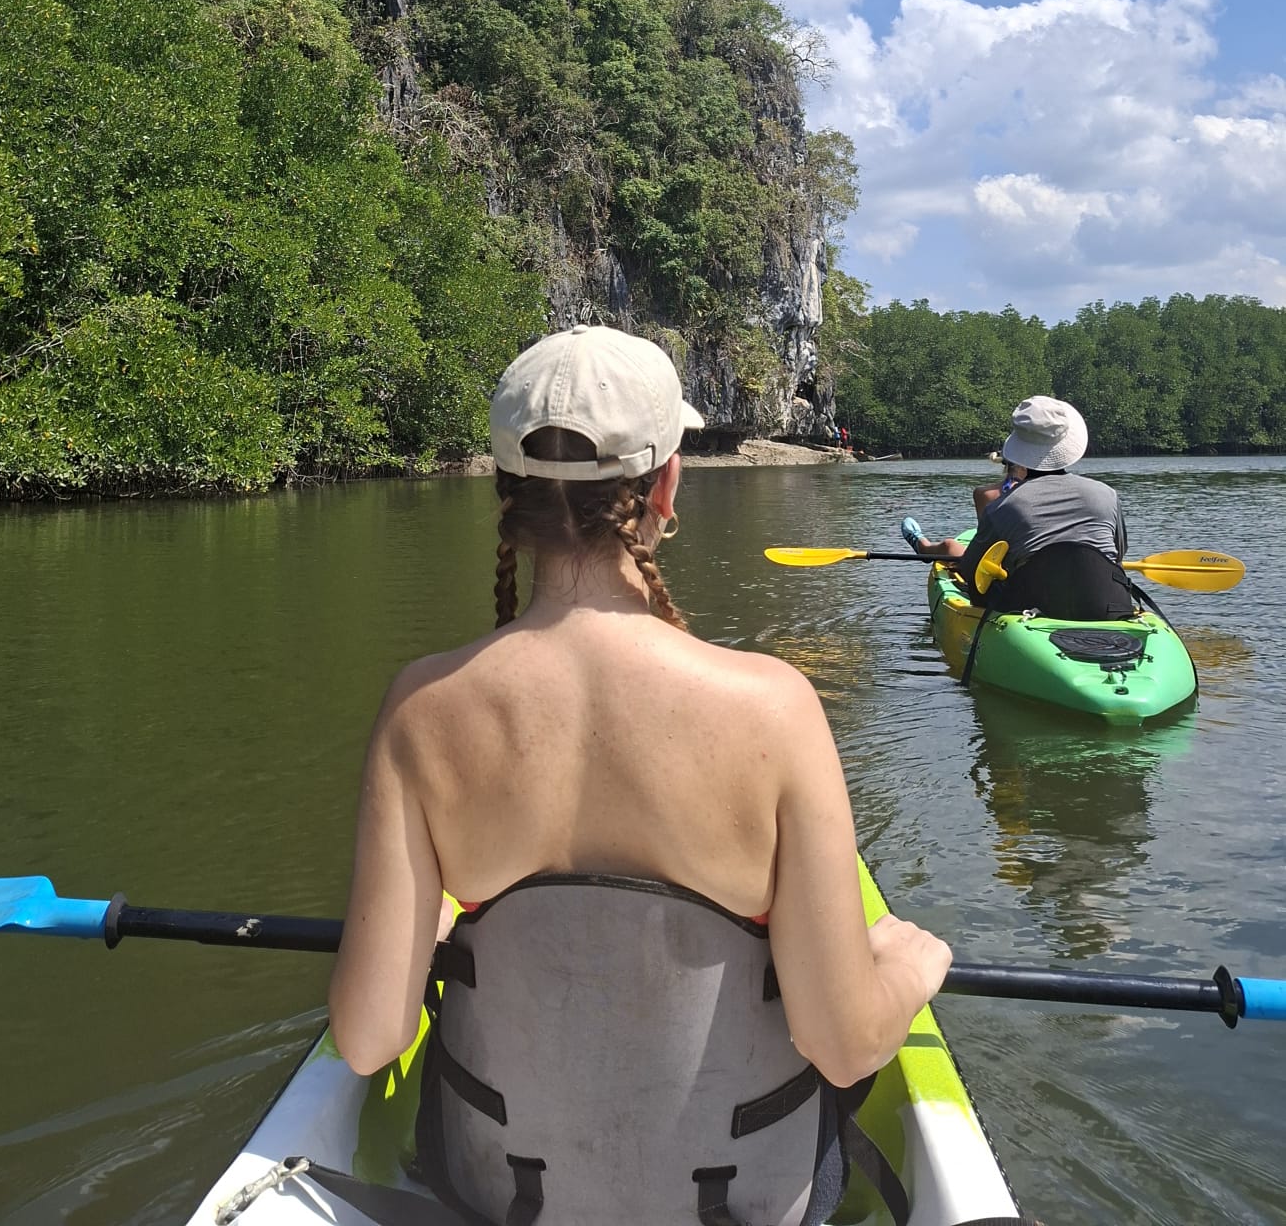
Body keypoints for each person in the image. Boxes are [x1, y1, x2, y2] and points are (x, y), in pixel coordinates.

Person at [328, 324, 950, 1226]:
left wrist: (425, 919)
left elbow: (368, 1036)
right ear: (666, 485)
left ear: (507, 496)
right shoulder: (773, 709)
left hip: (501, 1197)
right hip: (741, 1200)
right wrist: (907, 964)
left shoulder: (422, 711)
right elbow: (846, 1043)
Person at [902, 396, 1132, 620]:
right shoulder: (1107, 494)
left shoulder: (1001, 507)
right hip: (1106, 604)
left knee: (957, 551)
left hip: (1030, 609)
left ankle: (923, 545)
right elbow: (1117, 556)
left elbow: (973, 577)